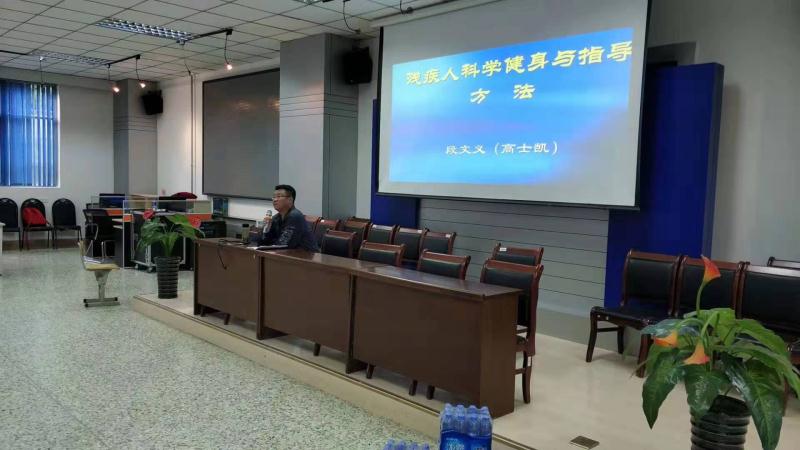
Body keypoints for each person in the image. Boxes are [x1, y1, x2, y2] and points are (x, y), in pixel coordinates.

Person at [258, 184, 319, 252]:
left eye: (279, 196)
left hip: (307, 256)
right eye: (274, 197)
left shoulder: (295, 216)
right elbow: (261, 243)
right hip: (288, 254)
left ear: (290, 199)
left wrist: (270, 243)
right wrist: (265, 230)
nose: (275, 200)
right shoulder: (276, 218)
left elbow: (283, 245)